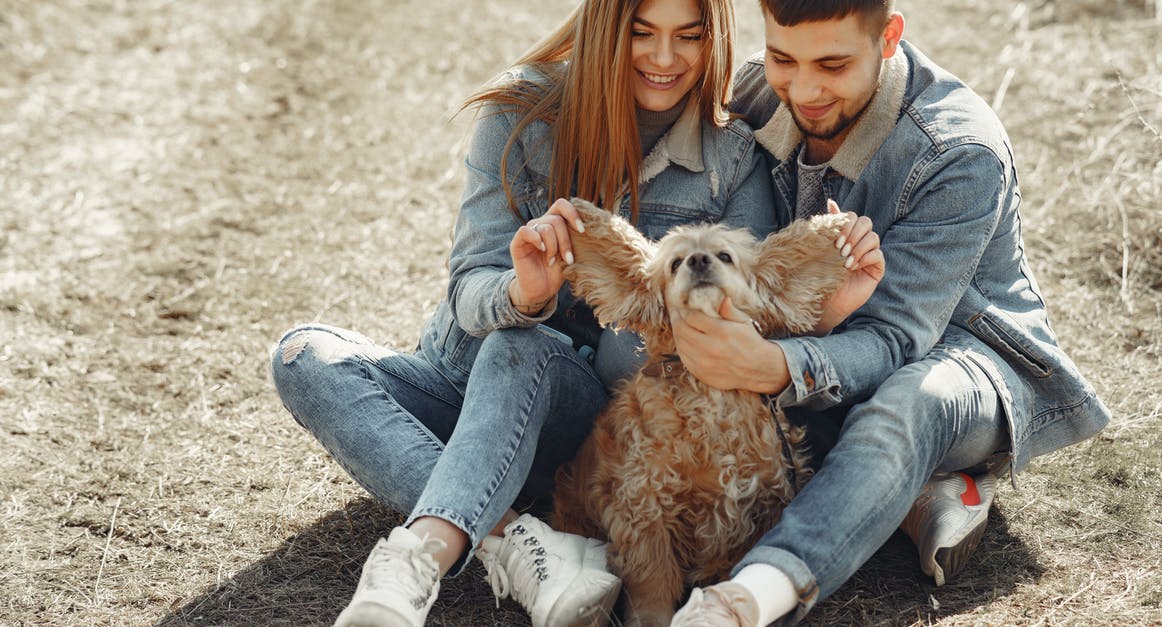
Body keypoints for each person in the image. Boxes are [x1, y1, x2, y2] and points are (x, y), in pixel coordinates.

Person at [269, 1, 879, 626]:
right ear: (603, 29)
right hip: (461, 389)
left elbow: (739, 313)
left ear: (713, 40)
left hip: (586, 426)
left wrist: (827, 296)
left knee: (522, 347)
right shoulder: (519, 113)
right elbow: (468, 286)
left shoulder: (731, 154)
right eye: (641, 33)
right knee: (303, 355)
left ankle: (420, 559)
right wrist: (525, 293)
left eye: (688, 37)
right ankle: (521, 544)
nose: (664, 59)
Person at [667, 2, 1112, 625]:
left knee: (906, 405)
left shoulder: (961, 148)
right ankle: (910, 494)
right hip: (816, 338)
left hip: (959, 357)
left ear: (889, 37)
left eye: (833, 64)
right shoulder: (755, 93)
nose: (804, 88)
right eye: (782, 58)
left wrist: (775, 366)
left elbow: (898, 336)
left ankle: (747, 600)